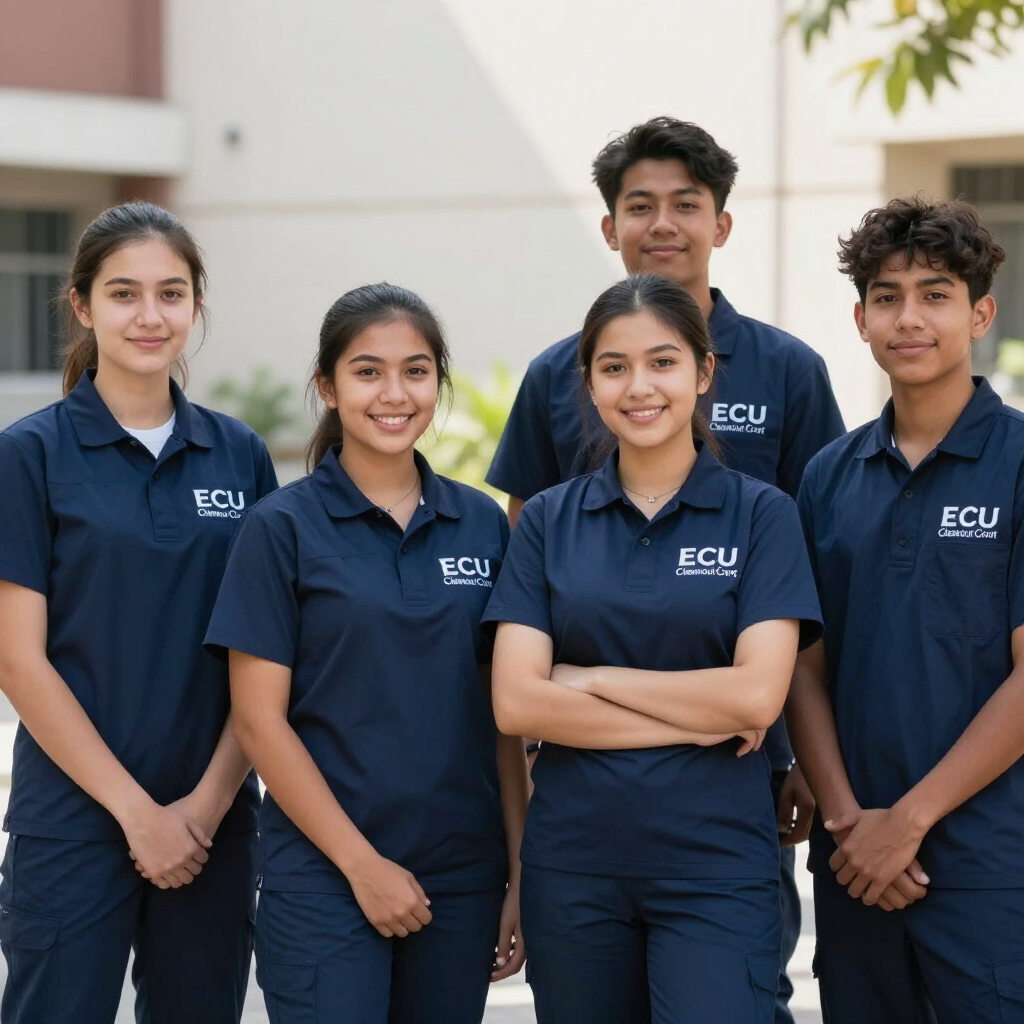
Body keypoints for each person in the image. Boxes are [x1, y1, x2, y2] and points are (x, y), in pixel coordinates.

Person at [486, 116, 844, 1020]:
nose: (640, 387)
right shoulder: (550, 401)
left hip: (726, 804)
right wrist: (698, 711)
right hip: (586, 810)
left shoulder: (788, 384)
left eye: (687, 203)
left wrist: (799, 746)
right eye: (639, 205)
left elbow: (798, 618)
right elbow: (520, 684)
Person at [205, 283, 529, 1024]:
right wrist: (362, 866)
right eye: (367, 371)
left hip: (461, 877)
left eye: (416, 371)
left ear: (438, 384)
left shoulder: (481, 524)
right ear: (327, 386)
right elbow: (259, 723)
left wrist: (518, 869)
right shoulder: (279, 528)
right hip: (322, 878)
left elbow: (502, 719)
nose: (395, 393)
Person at [0, 201, 277, 1024]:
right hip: (72, 824)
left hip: (214, 823)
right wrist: (135, 815)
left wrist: (203, 808)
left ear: (196, 305)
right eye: (124, 294)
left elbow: (263, 658)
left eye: (171, 293)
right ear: (83, 305)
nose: (149, 316)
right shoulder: (30, 454)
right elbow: (18, 660)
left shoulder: (240, 454)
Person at [788, 196, 1024, 1023]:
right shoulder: (826, 476)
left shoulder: (1021, 460)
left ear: (980, 312)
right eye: (886, 297)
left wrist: (910, 822)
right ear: (860, 320)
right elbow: (804, 665)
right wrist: (851, 822)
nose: (909, 317)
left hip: (990, 862)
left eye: (935, 293)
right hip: (853, 860)